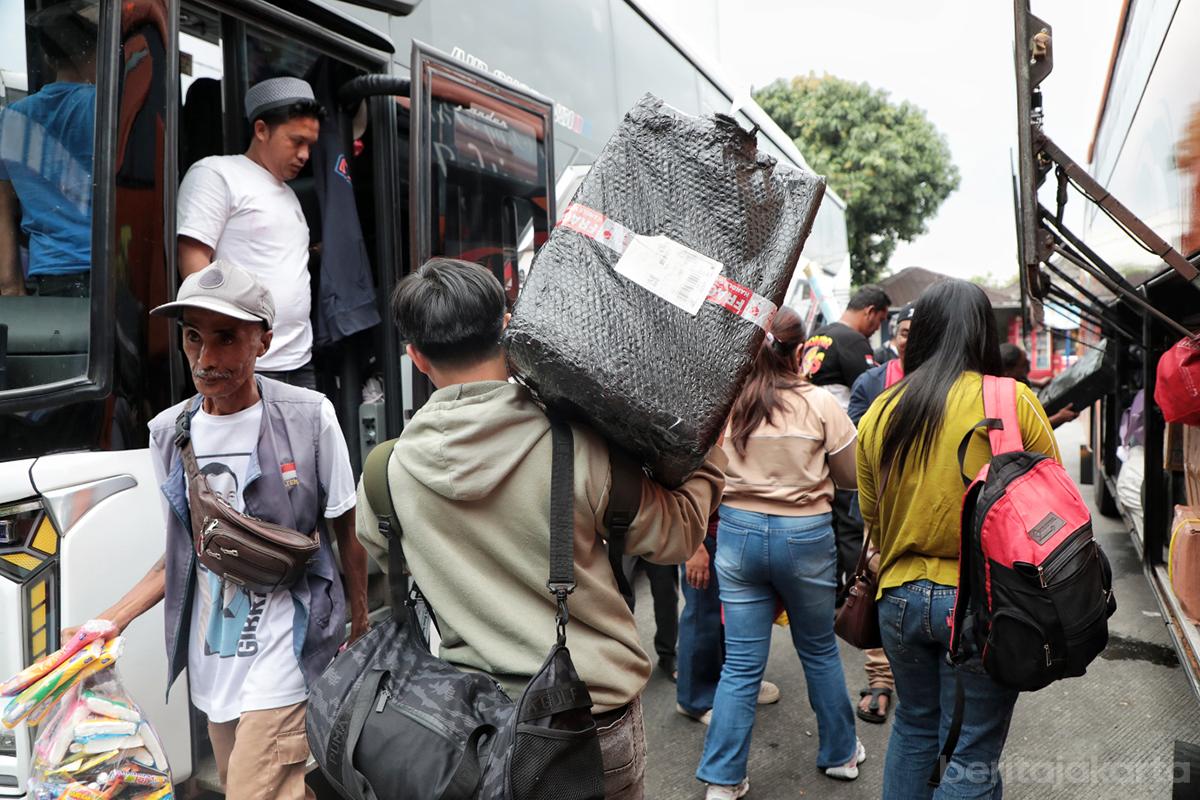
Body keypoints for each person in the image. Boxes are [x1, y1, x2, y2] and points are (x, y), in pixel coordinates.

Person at [355, 257, 725, 799]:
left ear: (414, 356)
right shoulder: (577, 446)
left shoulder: (384, 474)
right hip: (590, 721)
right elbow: (676, 536)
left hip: (468, 728)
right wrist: (710, 450)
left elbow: (393, 566)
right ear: (507, 326)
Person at [66, 261, 369, 800]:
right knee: (248, 785)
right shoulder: (169, 434)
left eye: (226, 338)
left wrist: (360, 624)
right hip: (216, 661)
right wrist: (109, 621)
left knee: (253, 790)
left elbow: (348, 535)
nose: (206, 359)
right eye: (192, 339)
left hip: (288, 650)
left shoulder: (309, 417)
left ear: (264, 341)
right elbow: (178, 557)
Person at [857, 280, 1059, 798]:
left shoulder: (882, 408)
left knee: (915, 727)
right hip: (982, 605)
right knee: (972, 749)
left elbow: (871, 516)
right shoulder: (1010, 400)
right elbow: (1056, 507)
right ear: (981, 334)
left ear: (919, 332)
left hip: (898, 600)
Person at [697, 307, 862, 800]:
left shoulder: (727, 403)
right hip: (806, 536)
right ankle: (840, 755)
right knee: (817, 648)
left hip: (737, 533)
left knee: (742, 664)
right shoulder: (818, 404)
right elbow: (851, 477)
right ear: (799, 350)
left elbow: (703, 470)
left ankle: (722, 781)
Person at [176, 77, 323, 388]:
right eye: (296, 141)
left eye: (310, 145)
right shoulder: (217, 174)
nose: (304, 155)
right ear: (261, 130)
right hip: (244, 369)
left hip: (299, 362)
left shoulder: (290, 195)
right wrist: (221, 350)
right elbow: (194, 262)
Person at [845, 302, 916, 725]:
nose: (910, 338)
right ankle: (880, 680)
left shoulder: (952, 385)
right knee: (875, 589)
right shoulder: (871, 382)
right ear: (894, 336)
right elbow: (856, 446)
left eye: (918, 331)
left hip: (930, 514)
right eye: (904, 331)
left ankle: (917, 684)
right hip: (878, 511)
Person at [800, 284, 891, 599]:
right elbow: (871, 388)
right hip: (837, 442)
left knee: (828, 520)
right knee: (850, 521)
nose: (877, 328)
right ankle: (856, 592)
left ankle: (832, 588)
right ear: (869, 312)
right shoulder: (852, 339)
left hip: (809, 440)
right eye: (878, 321)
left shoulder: (818, 336)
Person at [0, 4, 97, 297]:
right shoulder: (103, 107)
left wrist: (9, 283)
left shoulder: (12, 118)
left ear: (47, 57)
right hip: (106, 269)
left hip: (50, 275)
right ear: (93, 52)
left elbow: (3, 206)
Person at [675, 512, 781, 727]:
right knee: (702, 614)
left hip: (734, 526)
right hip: (702, 532)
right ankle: (694, 699)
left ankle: (734, 682)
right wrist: (692, 546)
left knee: (733, 612)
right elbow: (675, 493)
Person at [999, 342, 1079, 427]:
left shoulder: (1006, 379)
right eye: (1023, 365)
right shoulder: (1006, 399)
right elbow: (1027, 429)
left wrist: (1038, 383)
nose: (1027, 366)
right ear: (1007, 372)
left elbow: (1019, 379)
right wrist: (1059, 418)